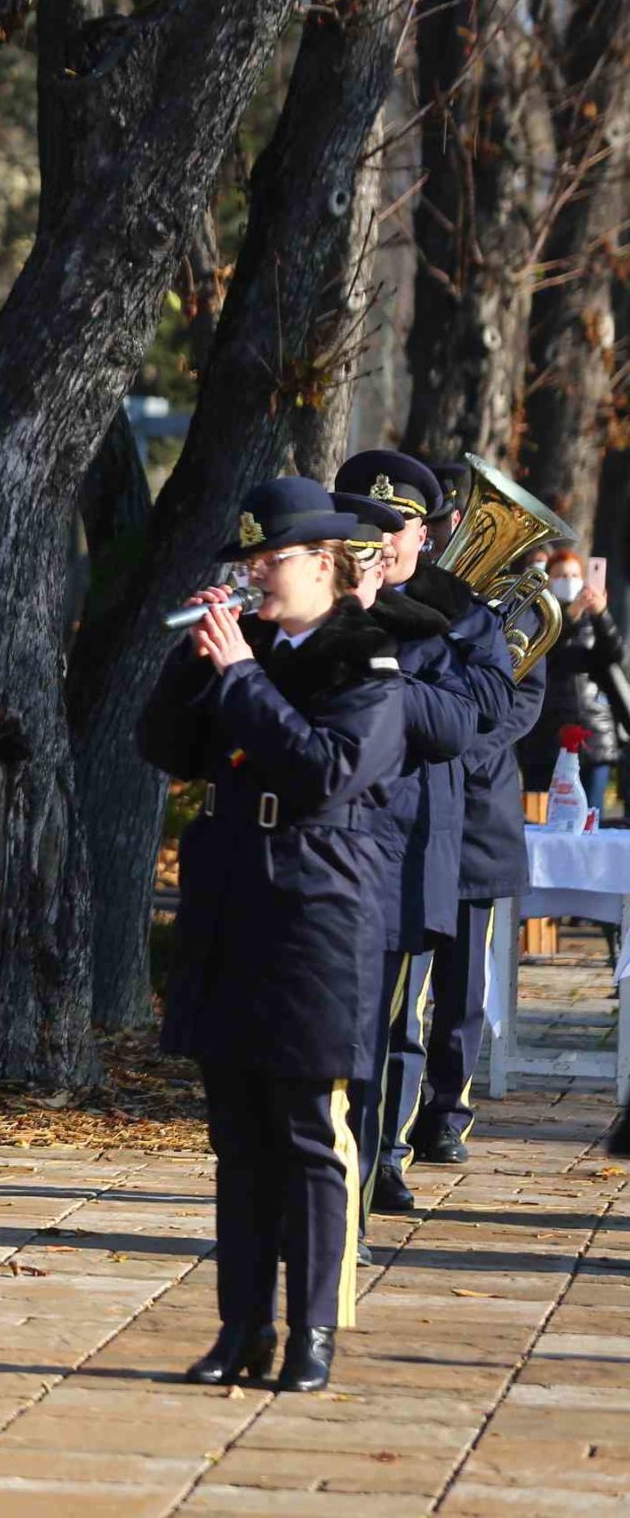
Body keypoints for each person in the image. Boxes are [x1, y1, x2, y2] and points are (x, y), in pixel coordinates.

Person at [140, 476, 404, 1396]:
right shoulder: (236, 649)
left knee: (303, 1132)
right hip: (230, 899)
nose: (257, 574)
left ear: (327, 564)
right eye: (248, 558)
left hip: (317, 907)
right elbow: (164, 747)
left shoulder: (365, 658)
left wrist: (242, 677)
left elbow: (323, 771)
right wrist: (196, 660)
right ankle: (241, 1325)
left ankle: (313, 1333)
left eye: (273, 558)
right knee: (236, 1135)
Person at [330, 451, 511, 1233]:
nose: (382, 538)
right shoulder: (318, 590)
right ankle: (331, 1177)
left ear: (426, 531)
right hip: (326, 832)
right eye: (365, 522)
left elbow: (488, 706)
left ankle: (377, 1168)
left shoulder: (462, 610)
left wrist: (396, 682)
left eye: (396, 525)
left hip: (408, 836)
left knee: (398, 1019)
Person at [417, 471, 544, 1170]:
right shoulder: (413, 598)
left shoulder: (516, 605)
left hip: (478, 819)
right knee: (408, 983)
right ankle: (398, 1110)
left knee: (463, 987)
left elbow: (522, 704)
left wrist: (456, 747)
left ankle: (445, 1114)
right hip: (418, 813)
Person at [519, 548, 625, 815]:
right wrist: (571, 615)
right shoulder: (537, 617)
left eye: (574, 575)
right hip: (545, 737)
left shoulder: (595, 622)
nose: (569, 580)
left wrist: (601, 615)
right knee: (540, 818)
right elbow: (542, 654)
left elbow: (615, 654)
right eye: (561, 575)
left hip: (593, 735)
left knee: (591, 818)